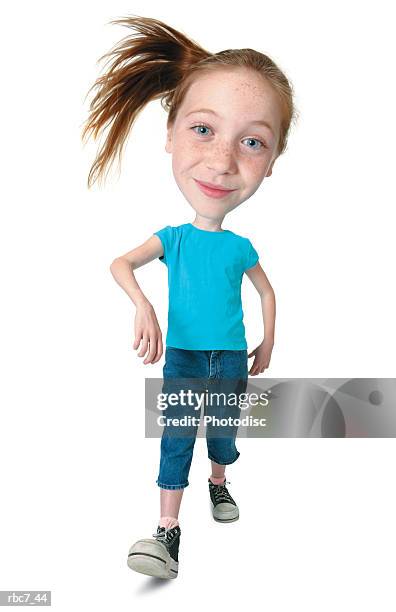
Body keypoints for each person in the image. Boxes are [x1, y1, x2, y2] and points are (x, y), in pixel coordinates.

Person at [81, 14, 297, 579]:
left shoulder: (241, 246)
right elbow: (120, 263)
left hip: (229, 358)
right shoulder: (172, 240)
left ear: (271, 163)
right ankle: (166, 536)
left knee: (222, 436)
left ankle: (220, 484)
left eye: (252, 142)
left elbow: (267, 293)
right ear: (171, 131)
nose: (224, 161)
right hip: (180, 357)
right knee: (177, 439)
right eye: (203, 129)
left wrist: (269, 339)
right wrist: (144, 304)